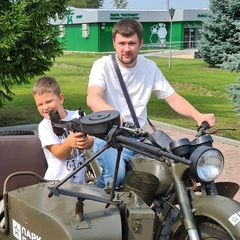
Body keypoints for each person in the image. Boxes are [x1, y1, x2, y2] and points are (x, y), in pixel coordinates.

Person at [87, 18, 215, 189]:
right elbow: (93, 98)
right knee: (115, 178)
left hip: (140, 138)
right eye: (121, 43)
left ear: (140, 43)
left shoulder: (150, 67)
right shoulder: (102, 66)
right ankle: (92, 202)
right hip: (111, 138)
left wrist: (198, 115)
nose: (126, 49)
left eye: (131, 43)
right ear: (114, 43)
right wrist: (115, 115)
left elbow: (172, 97)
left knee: (175, 171)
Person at [33, 76, 94, 183]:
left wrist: (86, 141)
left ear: (60, 98)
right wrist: (69, 142)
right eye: (40, 104)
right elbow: (59, 154)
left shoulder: (78, 115)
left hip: (80, 183)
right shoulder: (44, 126)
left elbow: (90, 141)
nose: (45, 107)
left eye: (49, 101)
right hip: (57, 184)